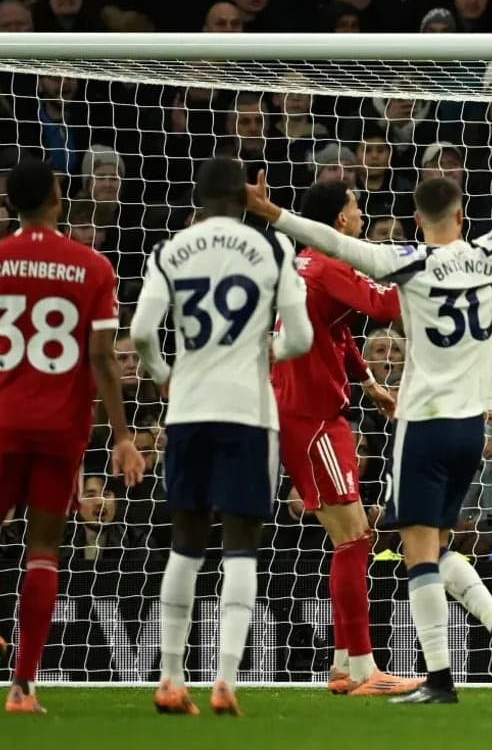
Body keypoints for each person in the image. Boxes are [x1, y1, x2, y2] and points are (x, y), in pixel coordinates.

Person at [242, 68, 492, 703]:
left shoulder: (408, 264)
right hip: (476, 426)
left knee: (416, 552)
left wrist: (275, 215)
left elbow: (331, 247)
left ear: (415, 218)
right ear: (461, 213)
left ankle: (439, 678)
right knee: (434, 543)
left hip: (423, 424)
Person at [0, 159, 145, 715]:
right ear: (58, 197)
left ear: (8, 204)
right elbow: (104, 359)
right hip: (63, 429)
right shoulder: (93, 267)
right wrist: (124, 436)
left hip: (2, 422)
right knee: (44, 552)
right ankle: (22, 688)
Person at [132, 158, 314, 717]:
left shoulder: (169, 250)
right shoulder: (275, 251)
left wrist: (165, 375)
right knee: (241, 542)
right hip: (248, 412)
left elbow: (140, 331)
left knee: (184, 542)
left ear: (199, 199)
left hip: (188, 409)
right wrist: (269, 352)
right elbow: (301, 338)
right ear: (245, 196)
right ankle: (226, 682)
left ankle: (168, 676)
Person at [267, 178, 417, 696]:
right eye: (354, 207)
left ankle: (341, 663)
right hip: (312, 416)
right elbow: (383, 308)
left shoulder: (307, 264)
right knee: (354, 538)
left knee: (349, 538)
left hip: (303, 407)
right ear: (338, 220)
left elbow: (341, 329)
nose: (360, 214)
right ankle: (362, 669)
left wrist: (369, 381)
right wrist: (426, 268)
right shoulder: (329, 265)